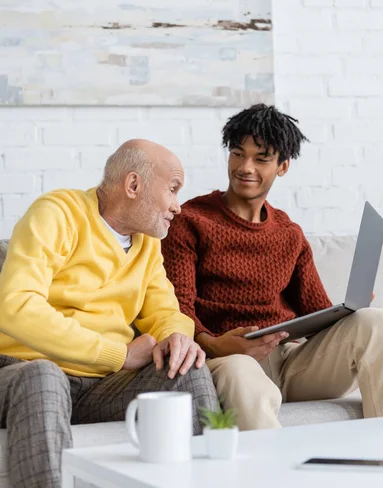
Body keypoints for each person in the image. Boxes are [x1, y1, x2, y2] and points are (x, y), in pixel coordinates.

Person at [162, 104, 383, 431]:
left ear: (283, 166)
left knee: (378, 321)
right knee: (239, 371)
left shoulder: (289, 234)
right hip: (228, 359)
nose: (246, 167)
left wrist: (350, 311)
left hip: (290, 363)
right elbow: (176, 311)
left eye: (261, 158)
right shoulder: (191, 222)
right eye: (237, 153)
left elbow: (316, 314)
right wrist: (216, 344)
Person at [0, 139, 219, 488]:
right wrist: (118, 354)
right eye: (173, 190)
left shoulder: (147, 242)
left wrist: (177, 337)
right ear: (133, 185)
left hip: (100, 385)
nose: (178, 207)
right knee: (44, 376)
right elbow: (16, 307)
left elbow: (165, 310)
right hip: (23, 372)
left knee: (187, 369)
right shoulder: (57, 213)